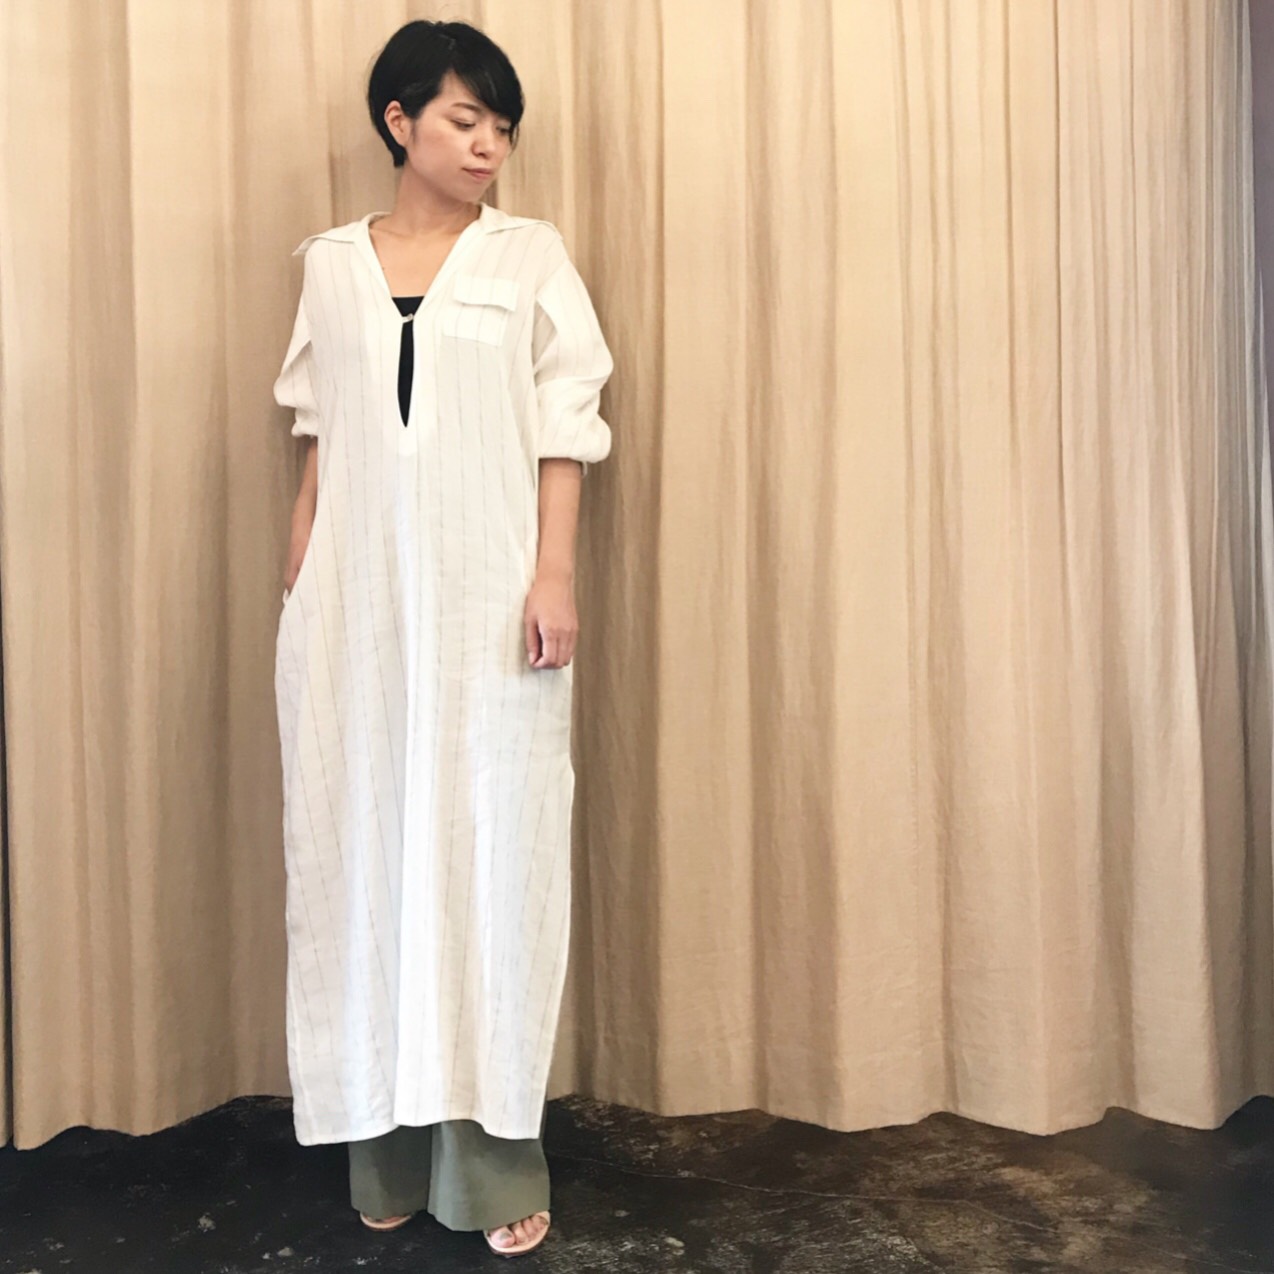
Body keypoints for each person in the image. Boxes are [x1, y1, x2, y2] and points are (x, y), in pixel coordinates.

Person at [271, 19, 613, 1259]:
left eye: (501, 128)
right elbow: (321, 431)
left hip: (489, 609)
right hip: (355, 615)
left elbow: (564, 424)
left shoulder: (528, 256)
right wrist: (302, 567)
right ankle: (381, 1146)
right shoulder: (329, 266)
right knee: (362, 855)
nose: (487, 146)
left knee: (489, 861)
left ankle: (487, 1165)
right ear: (398, 120)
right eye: (466, 119)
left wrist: (552, 574)